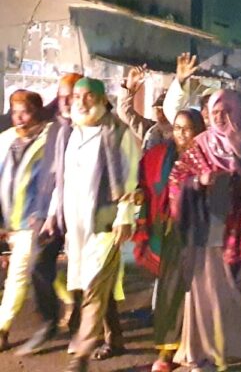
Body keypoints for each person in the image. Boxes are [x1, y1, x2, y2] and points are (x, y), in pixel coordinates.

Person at [45, 77, 139, 372]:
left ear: (102, 99)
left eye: (88, 96)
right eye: (77, 96)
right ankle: (115, 337)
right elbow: (62, 181)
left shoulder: (119, 134)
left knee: (94, 287)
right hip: (76, 228)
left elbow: (130, 179)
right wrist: (52, 215)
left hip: (105, 226)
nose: (82, 102)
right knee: (90, 284)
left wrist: (124, 216)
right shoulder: (71, 133)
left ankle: (82, 353)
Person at [167, 90, 241, 371]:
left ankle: (237, 349)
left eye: (226, 111)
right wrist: (198, 181)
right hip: (206, 229)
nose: (220, 117)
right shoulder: (200, 145)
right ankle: (205, 352)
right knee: (206, 294)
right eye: (215, 112)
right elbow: (176, 180)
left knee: (234, 292)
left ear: (237, 112)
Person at [130, 108, 206, 372]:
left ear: (199, 130)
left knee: (200, 293)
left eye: (188, 128)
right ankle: (166, 352)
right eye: (177, 128)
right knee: (169, 292)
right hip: (171, 232)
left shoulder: (210, 155)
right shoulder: (160, 155)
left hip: (202, 233)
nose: (182, 134)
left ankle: (196, 352)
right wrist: (140, 194)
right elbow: (142, 180)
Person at [16, 73, 83, 356]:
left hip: (81, 211)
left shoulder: (93, 128)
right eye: (62, 96)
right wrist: (40, 209)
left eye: (72, 96)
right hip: (50, 212)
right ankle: (48, 322)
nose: (65, 102)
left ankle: (84, 329)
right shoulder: (55, 127)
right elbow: (49, 173)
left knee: (82, 274)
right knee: (38, 266)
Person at [0, 90, 51, 351]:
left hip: (35, 222)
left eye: (26, 112)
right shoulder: (6, 140)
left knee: (17, 274)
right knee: (40, 271)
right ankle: (68, 302)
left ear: (37, 112)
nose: (19, 118)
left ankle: (2, 327)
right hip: (11, 222)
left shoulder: (50, 139)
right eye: (15, 112)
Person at [119, 64, 173, 151]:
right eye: (157, 109)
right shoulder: (148, 129)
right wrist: (129, 86)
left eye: (164, 110)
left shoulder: (180, 133)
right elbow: (125, 112)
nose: (160, 114)